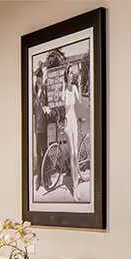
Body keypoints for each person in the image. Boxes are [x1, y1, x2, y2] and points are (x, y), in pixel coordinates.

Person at [62, 65, 83, 193]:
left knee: (75, 153)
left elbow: (80, 101)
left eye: (72, 73)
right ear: (66, 75)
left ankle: (76, 181)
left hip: (74, 121)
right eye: (69, 73)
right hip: (67, 123)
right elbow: (62, 102)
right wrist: (64, 86)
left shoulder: (74, 87)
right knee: (72, 153)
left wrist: (80, 85)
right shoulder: (64, 90)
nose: (71, 75)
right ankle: (74, 187)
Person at [32, 65, 49, 190]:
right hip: (37, 127)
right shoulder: (33, 90)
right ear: (37, 78)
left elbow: (47, 103)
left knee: (46, 151)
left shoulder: (45, 89)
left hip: (45, 126)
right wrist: (38, 92)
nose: (41, 78)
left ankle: (46, 178)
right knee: (38, 153)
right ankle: (38, 180)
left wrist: (48, 109)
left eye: (42, 76)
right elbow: (34, 105)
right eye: (40, 77)